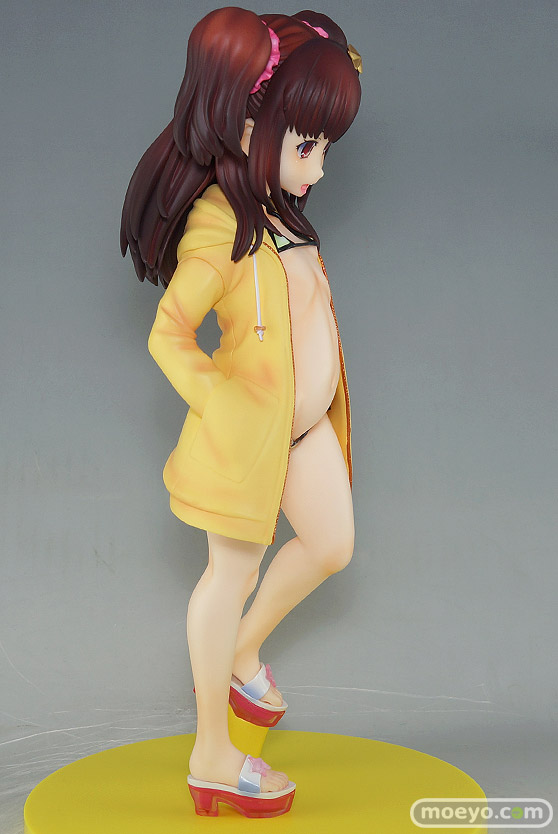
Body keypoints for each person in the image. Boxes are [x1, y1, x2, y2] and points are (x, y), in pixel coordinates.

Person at [120, 6, 361, 818]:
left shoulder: (279, 208)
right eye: (307, 146)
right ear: (253, 127)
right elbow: (168, 332)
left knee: (330, 546)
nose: (319, 168)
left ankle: (243, 651)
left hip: (304, 430)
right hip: (248, 439)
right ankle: (213, 756)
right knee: (229, 576)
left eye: (325, 148)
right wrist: (217, 400)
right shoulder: (219, 226)